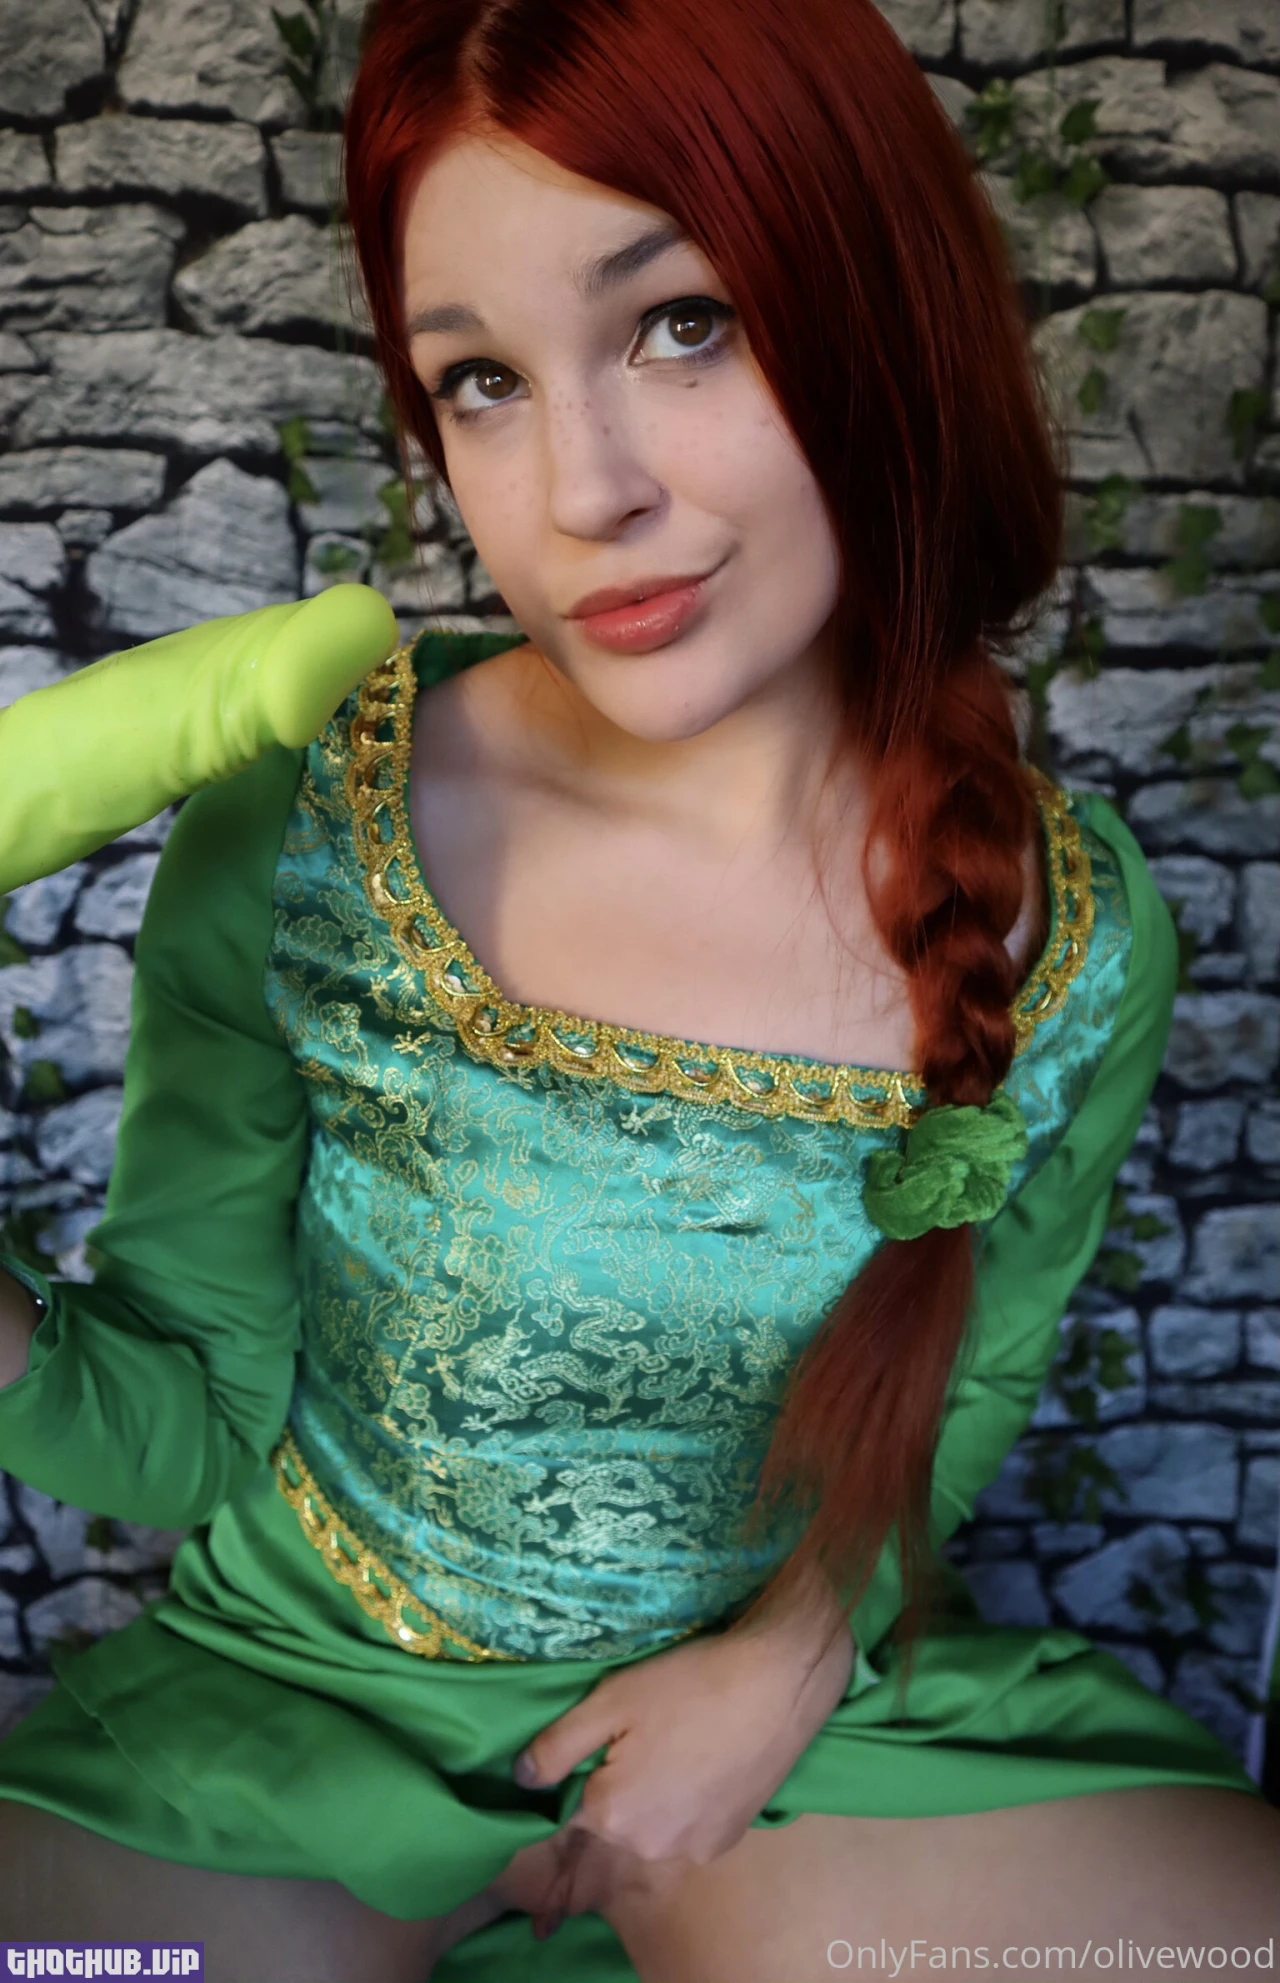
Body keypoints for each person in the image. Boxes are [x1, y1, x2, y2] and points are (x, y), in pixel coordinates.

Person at [0, 0, 1275, 1977]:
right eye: (483, 381)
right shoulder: (310, 828)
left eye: (681, 323)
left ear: (880, 305)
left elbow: (963, 1386)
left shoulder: (1078, 933)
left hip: (812, 1747)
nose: (580, 488)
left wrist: (787, 1659)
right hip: (289, 1730)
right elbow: (168, 1423)